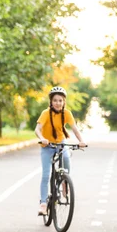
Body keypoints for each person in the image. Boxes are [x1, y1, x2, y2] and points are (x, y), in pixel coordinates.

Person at [34, 86, 86, 216]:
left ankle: (64, 181)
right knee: (46, 175)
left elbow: (74, 129)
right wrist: (42, 139)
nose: (58, 103)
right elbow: (37, 129)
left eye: (60, 100)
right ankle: (43, 204)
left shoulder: (67, 113)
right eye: (55, 100)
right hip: (47, 145)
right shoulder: (46, 113)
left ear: (64, 102)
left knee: (67, 158)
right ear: (51, 102)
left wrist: (81, 141)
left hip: (60, 142)